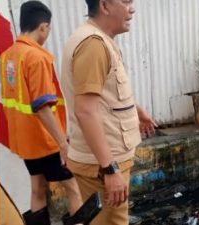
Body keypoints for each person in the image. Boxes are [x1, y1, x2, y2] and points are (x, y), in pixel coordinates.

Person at [61, 0, 156, 224]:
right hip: (102, 164)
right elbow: (85, 111)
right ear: (104, 5)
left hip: (104, 159)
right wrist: (110, 169)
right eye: (126, 2)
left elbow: (106, 94)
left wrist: (137, 110)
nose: (132, 9)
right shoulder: (93, 44)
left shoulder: (100, 39)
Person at [0, 1, 84, 225]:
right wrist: (63, 144)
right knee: (73, 188)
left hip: (25, 141)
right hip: (46, 140)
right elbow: (42, 106)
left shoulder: (8, 56)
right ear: (43, 27)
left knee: (37, 187)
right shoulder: (37, 57)